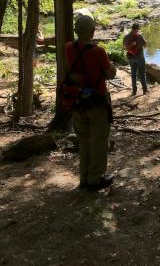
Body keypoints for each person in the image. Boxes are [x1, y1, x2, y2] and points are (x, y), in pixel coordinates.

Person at [65, 14, 117, 191]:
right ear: (92, 31)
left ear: (76, 31)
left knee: (84, 140)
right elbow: (110, 74)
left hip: (78, 101)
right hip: (97, 100)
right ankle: (95, 179)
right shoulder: (98, 51)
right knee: (99, 140)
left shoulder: (68, 48)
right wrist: (112, 66)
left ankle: (84, 177)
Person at [123, 22, 148, 96]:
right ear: (137, 29)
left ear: (132, 28)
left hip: (130, 57)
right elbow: (146, 45)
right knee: (142, 73)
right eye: (138, 29)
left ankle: (134, 91)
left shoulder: (126, 36)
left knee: (133, 74)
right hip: (140, 57)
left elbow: (124, 47)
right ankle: (145, 90)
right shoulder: (139, 36)